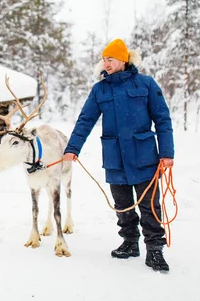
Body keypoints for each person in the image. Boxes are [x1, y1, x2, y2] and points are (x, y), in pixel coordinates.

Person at [63, 38, 174, 272]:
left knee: (149, 205)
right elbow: (86, 120)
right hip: (115, 158)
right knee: (122, 204)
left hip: (144, 156)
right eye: (103, 59)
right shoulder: (100, 89)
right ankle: (130, 242)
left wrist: (166, 153)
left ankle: (154, 250)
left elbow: (162, 119)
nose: (106, 63)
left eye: (110, 58)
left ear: (123, 60)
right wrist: (72, 148)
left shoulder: (145, 84)